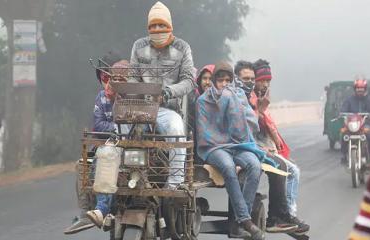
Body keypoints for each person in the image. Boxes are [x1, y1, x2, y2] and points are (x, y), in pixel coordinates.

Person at [196, 61, 275, 240]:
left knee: (255, 165)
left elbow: (249, 125)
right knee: (228, 167)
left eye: (227, 80)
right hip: (213, 147)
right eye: (220, 80)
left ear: (232, 81)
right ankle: (246, 221)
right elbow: (205, 132)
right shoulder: (203, 101)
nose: (224, 84)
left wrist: (235, 105)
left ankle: (240, 222)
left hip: (238, 145)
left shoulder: (238, 97)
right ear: (214, 80)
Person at [235, 60, 309, 235]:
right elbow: (244, 127)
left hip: (254, 144)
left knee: (289, 169)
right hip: (244, 145)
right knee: (281, 167)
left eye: (253, 79)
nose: (261, 83)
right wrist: (259, 110)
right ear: (236, 79)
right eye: (247, 79)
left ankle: (285, 216)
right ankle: (279, 217)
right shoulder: (239, 96)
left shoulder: (256, 97)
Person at [129, 1, 195, 188]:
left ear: (169, 26)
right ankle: (129, 177)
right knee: (121, 133)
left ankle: (174, 184)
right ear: (148, 28)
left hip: (167, 109)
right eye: (153, 26)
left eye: (161, 25)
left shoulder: (183, 48)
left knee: (176, 130)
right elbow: (133, 77)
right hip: (141, 107)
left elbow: (189, 80)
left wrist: (167, 92)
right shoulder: (139, 46)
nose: (157, 30)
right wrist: (135, 93)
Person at [64, 51, 124, 234]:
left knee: (105, 158)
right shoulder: (101, 97)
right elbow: (98, 125)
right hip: (106, 146)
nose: (107, 82)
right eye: (104, 77)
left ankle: (102, 208)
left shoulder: (133, 95)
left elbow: (135, 124)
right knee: (82, 165)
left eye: (111, 77)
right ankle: (85, 212)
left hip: (131, 150)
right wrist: (117, 129)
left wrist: (118, 130)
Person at [340, 78, 370, 163]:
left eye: (361, 89)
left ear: (365, 89)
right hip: (352, 124)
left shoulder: (369, 99)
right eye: (358, 89)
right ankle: (343, 155)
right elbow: (344, 108)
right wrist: (342, 113)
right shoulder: (349, 100)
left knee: (369, 134)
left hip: (364, 123)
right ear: (355, 89)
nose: (360, 91)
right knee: (343, 133)